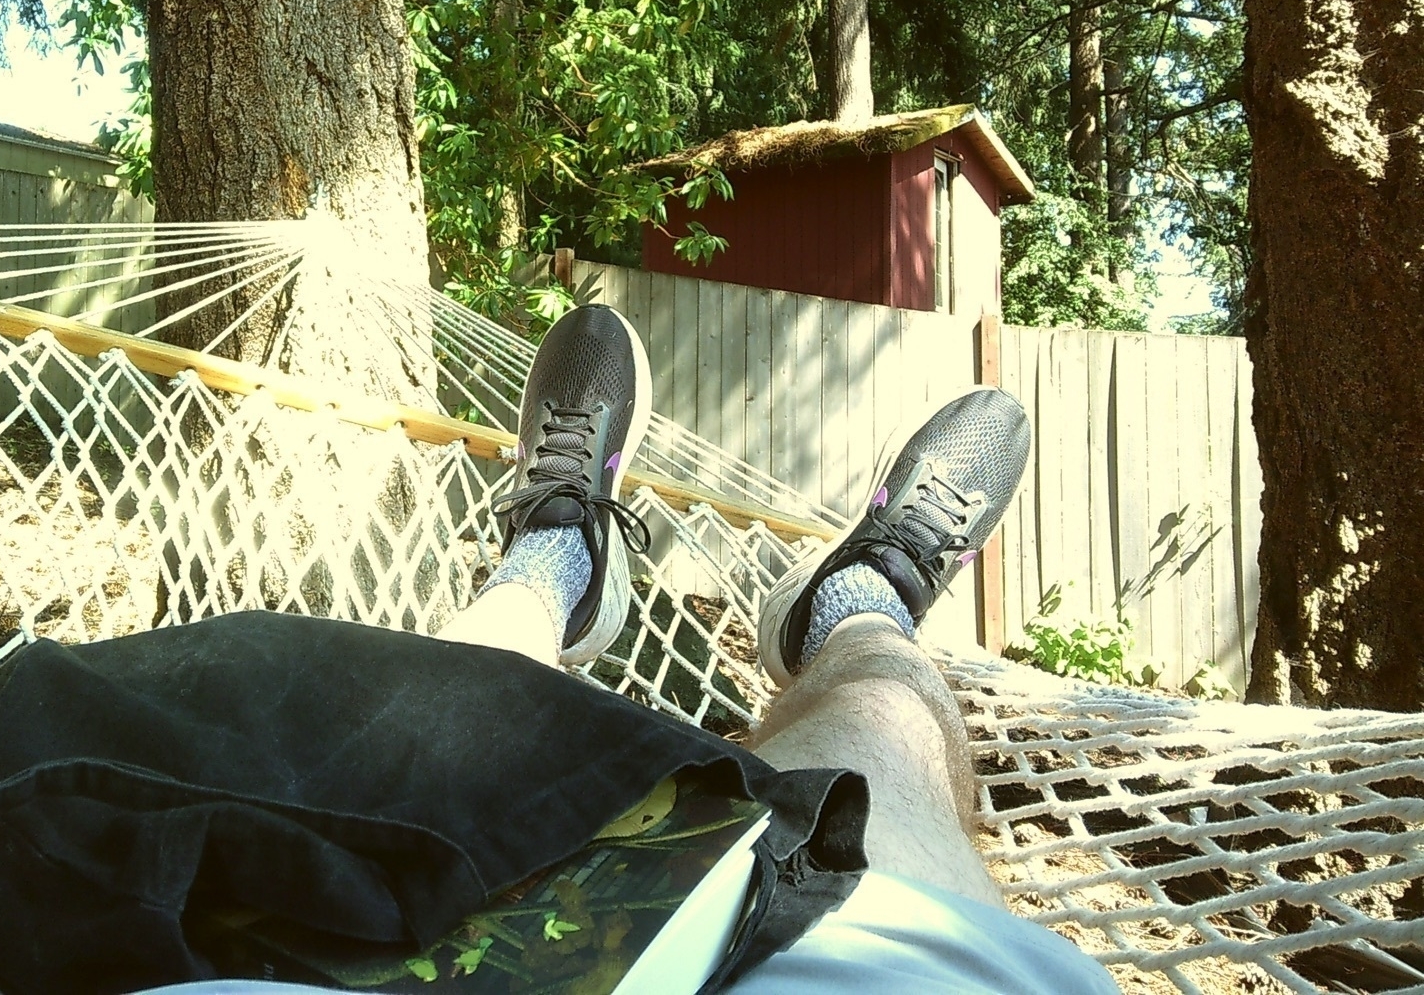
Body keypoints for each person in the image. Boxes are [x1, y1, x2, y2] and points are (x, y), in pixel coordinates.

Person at [144, 304, 1117, 995]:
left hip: (271, 947)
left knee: (434, 713)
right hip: (856, 957)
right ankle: (861, 605)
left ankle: (553, 560)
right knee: (883, 724)